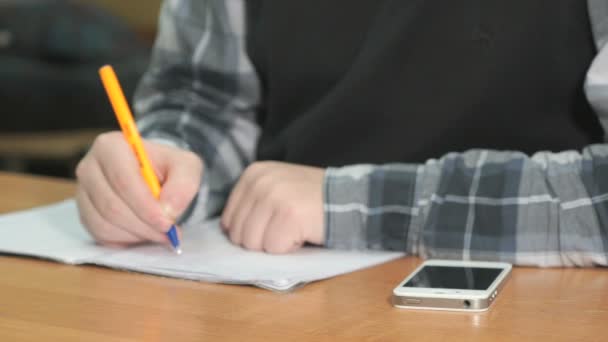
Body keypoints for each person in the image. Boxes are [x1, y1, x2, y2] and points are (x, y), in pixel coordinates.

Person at [76, 0, 608, 266]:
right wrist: (166, 164)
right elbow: (203, 94)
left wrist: (352, 205)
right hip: (276, 290)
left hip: (540, 301)